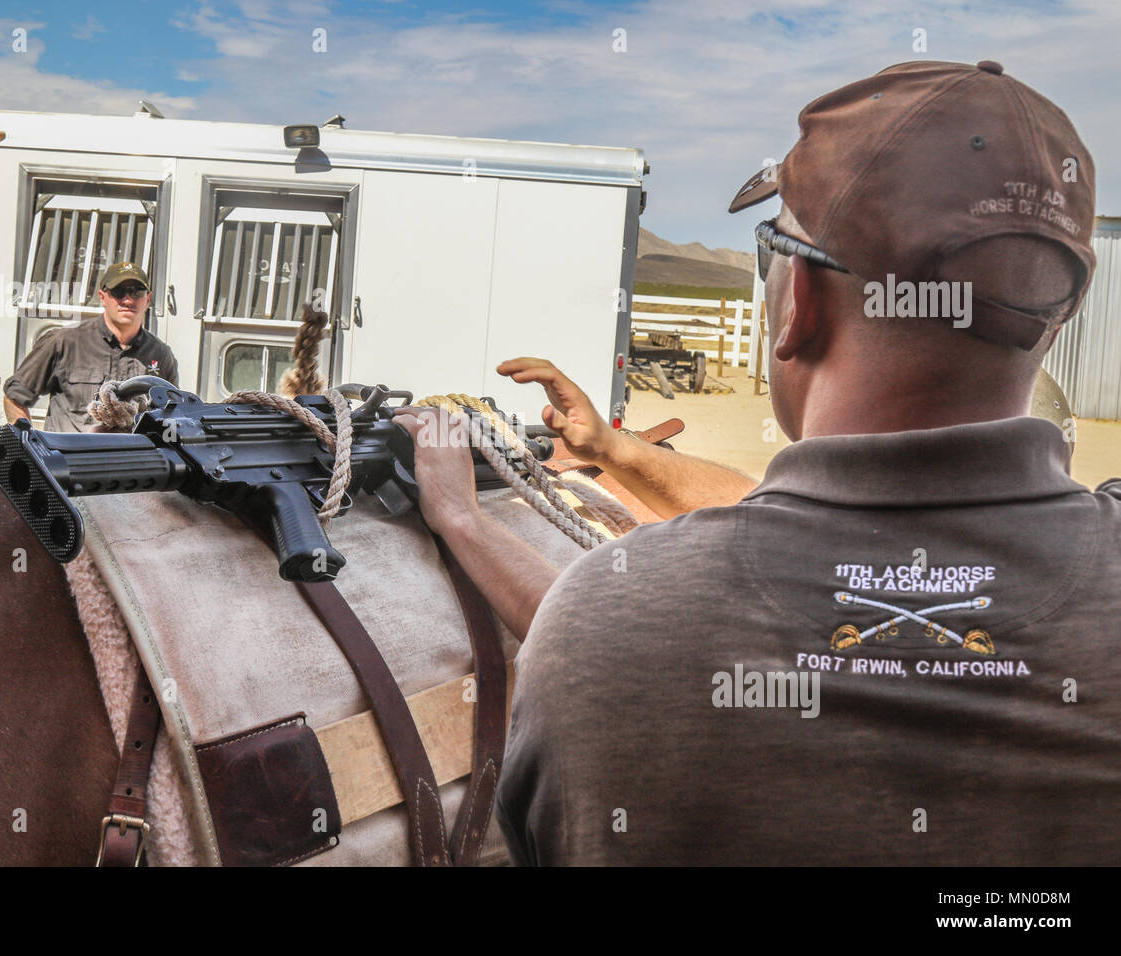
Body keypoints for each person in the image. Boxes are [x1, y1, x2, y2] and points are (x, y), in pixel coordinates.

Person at [394, 60, 1119, 865]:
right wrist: (614, 452)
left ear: (796, 301)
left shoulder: (603, 629)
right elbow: (789, 524)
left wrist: (459, 518)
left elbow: (719, 578)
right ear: (1055, 318)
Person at [2, 261, 179, 432]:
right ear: (103, 297)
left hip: (131, 460)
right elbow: (14, 398)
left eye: (136, 292)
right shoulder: (63, 342)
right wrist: (30, 445)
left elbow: (173, 414)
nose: (127, 299)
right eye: (118, 291)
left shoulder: (161, 355)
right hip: (69, 459)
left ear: (147, 299)